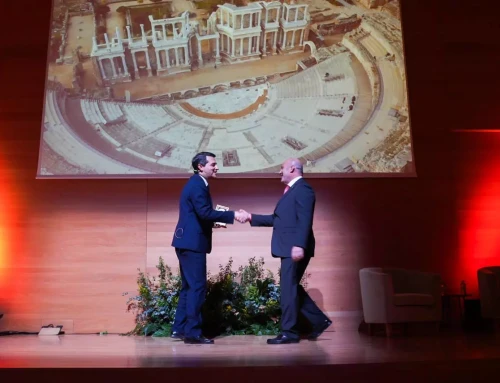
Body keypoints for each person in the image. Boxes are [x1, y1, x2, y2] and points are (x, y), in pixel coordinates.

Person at [239, 158, 331, 344]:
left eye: (281, 168)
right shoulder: (292, 191)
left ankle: (290, 333)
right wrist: (250, 217)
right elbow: (277, 219)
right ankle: (318, 321)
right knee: (291, 288)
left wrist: (299, 245)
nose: (279, 172)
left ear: (292, 168)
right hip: (289, 247)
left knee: (288, 289)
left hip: (294, 248)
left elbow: (306, 220)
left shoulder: (303, 190)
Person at [171, 152, 246, 344]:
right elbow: (204, 213)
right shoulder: (197, 185)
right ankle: (193, 333)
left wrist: (215, 222)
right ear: (200, 167)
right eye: (213, 164)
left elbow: (198, 216)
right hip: (192, 244)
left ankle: (180, 329)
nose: (216, 167)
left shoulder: (197, 183)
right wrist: (232, 215)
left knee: (189, 287)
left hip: (186, 242)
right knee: (197, 287)